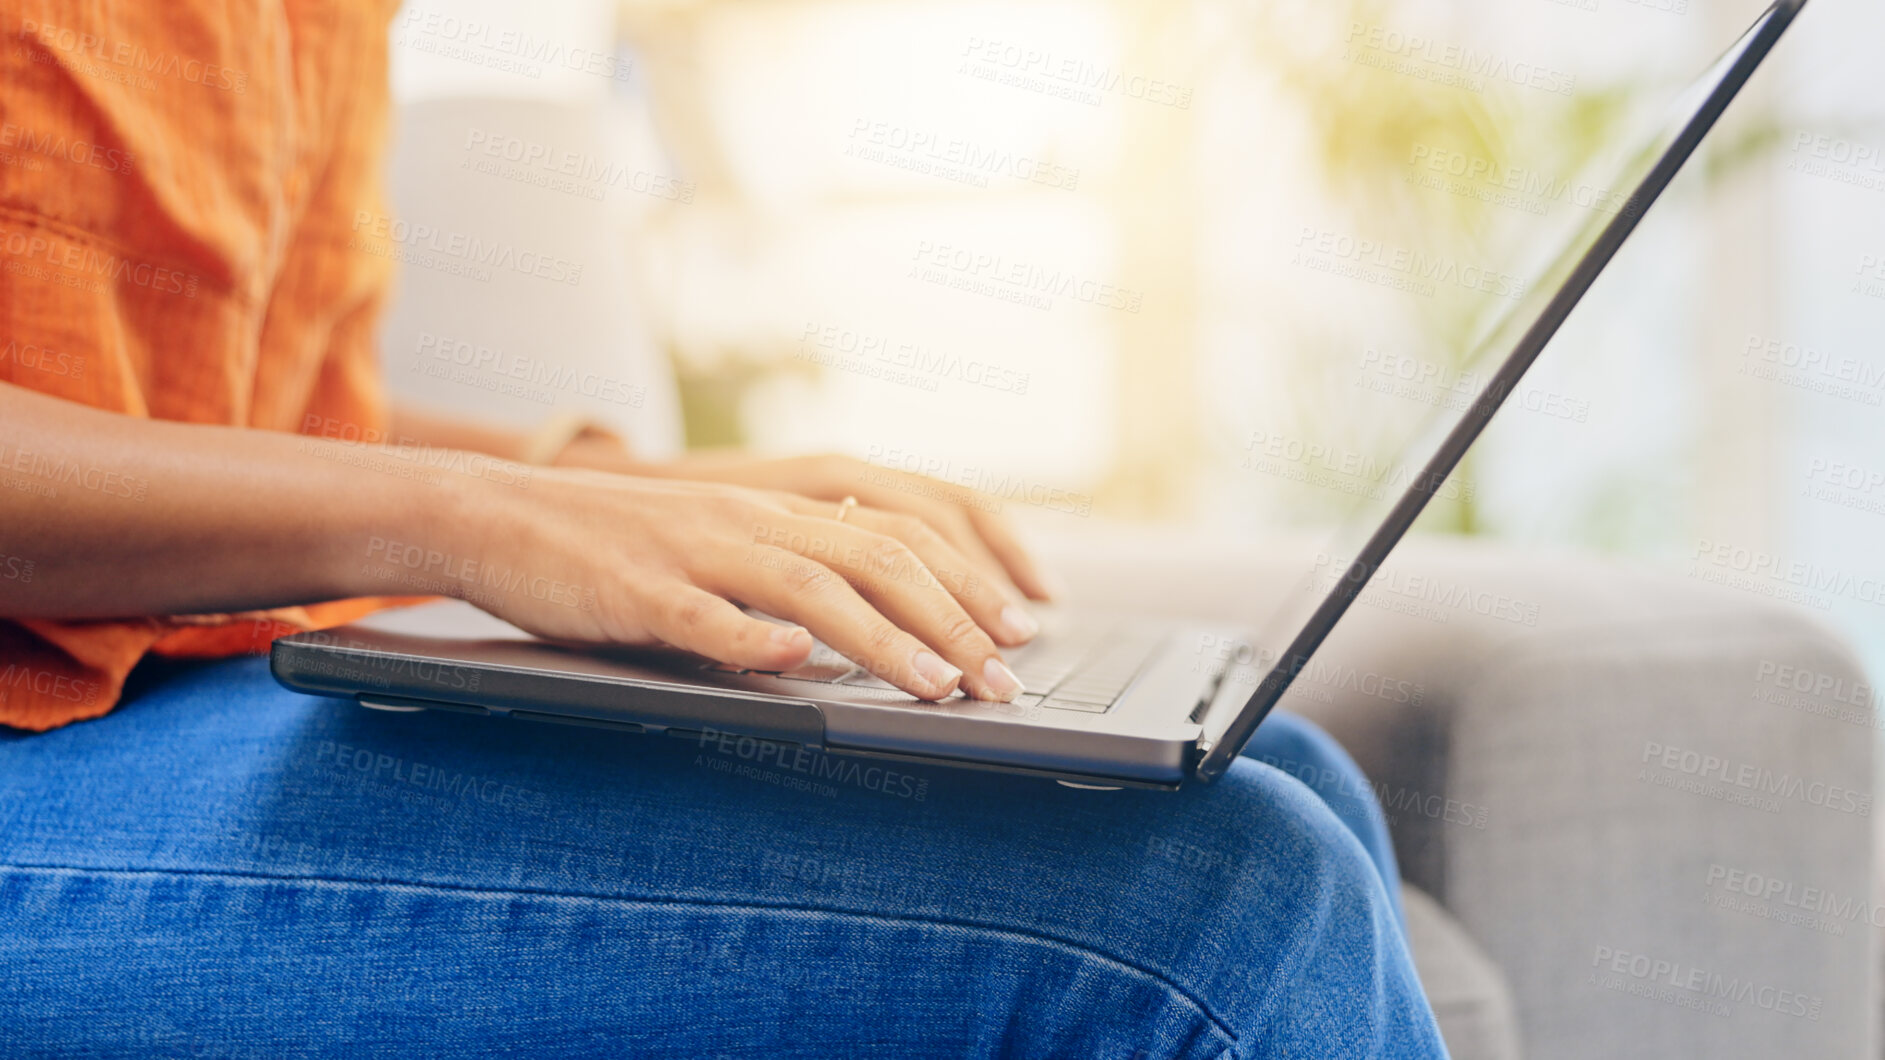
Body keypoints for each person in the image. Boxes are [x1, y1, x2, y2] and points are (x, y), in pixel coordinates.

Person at [0, 3, 1449, 1056]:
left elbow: (201, 410)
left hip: (187, 666)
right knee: (1223, 907)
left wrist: (619, 485)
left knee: (1266, 769)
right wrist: (473, 517)